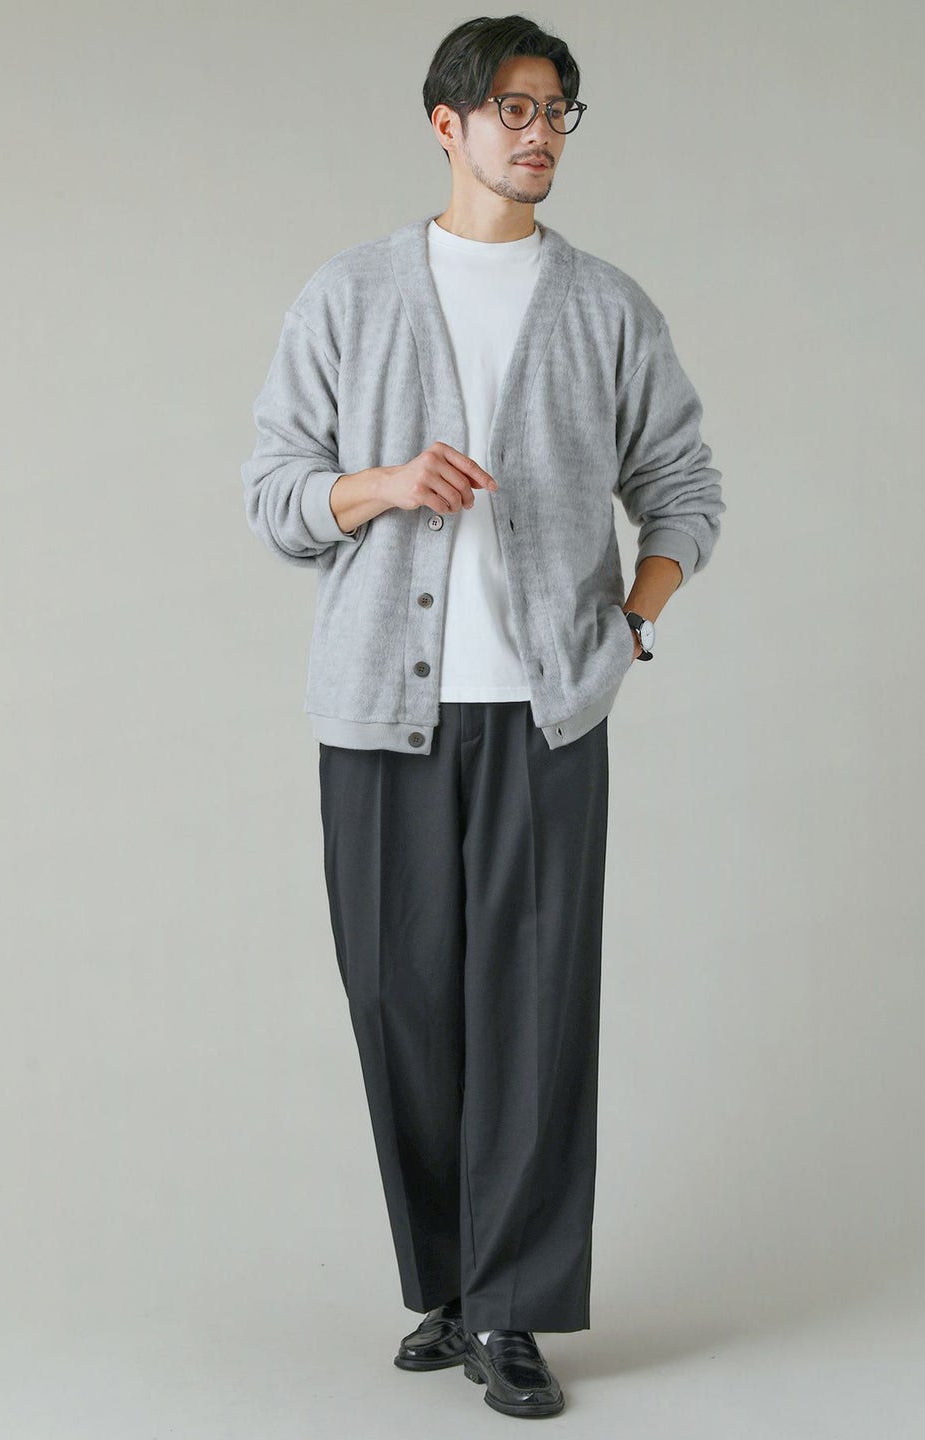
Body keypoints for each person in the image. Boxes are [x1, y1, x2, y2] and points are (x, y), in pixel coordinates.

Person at [241, 13, 724, 1420]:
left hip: (546, 720)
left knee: (535, 1007)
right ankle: (449, 1285)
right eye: (514, 106)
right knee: (400, 1003)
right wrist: (385, 485)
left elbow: (686, 488)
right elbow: (274, 495)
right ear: (445, 123)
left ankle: (513, 1310)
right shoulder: (350, 295)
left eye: (558, 109)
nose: (540, 131)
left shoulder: (606, 307)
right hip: (376, 719)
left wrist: (632, 622)